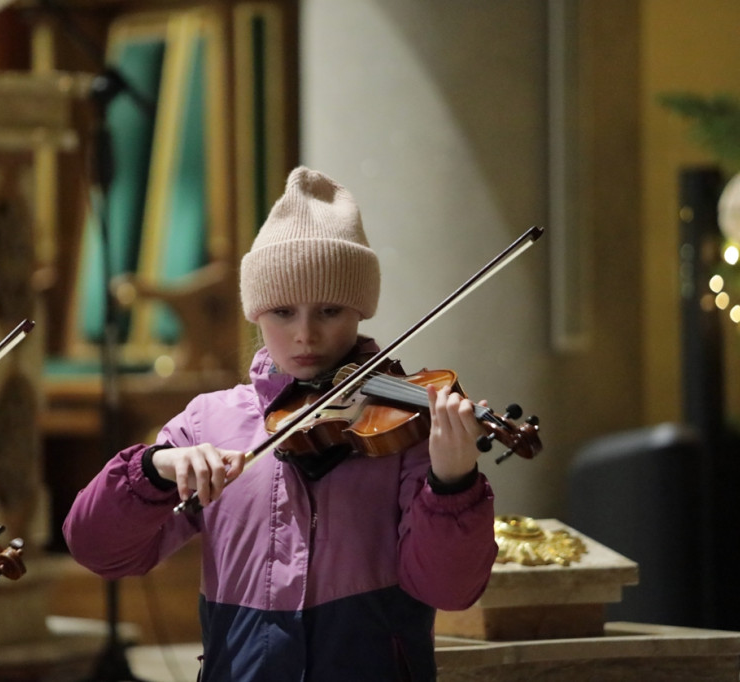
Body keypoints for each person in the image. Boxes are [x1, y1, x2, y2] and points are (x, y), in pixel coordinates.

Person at [63, 167, 498, 682]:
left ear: (360, 309)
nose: (305, 335)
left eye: (330, 310)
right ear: (255, 313)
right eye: (283, 312)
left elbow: (448, 590)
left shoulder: (406, 430)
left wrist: (453, 484)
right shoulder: (209, 421)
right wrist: (155, 469)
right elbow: (97, 549)